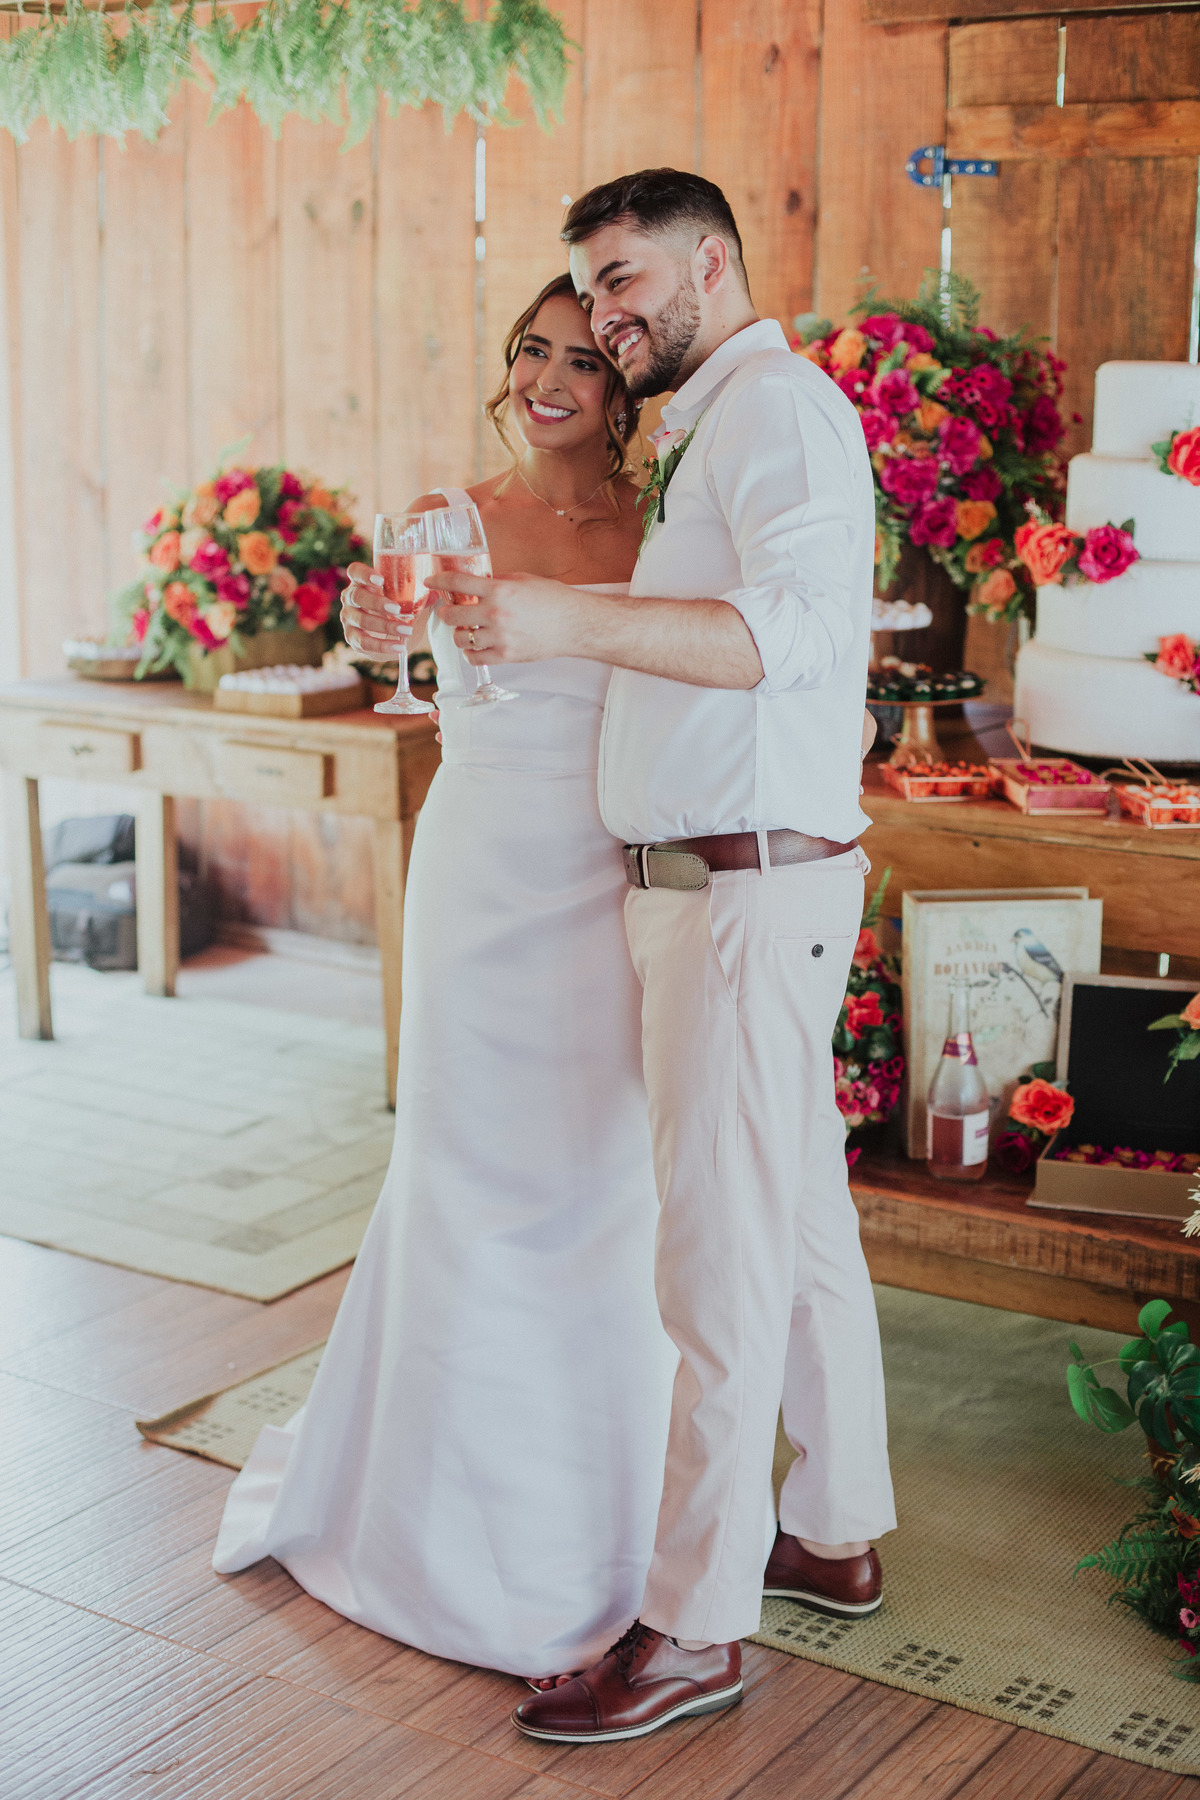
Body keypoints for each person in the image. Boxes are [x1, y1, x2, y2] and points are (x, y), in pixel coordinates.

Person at [430, 169, 897, 1745]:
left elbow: (789, 641)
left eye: (623, 279)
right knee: (798, 1223)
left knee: (717, 1263)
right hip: (730, 885)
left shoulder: (779, 414)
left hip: (742, 893)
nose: (603, 312)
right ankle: (832, 1526)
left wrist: (564, 621)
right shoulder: (717, 420)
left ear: (711, 263)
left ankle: (695, 1628)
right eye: (585, 287)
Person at [211, 273, 680, 1684]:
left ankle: (611, 1526)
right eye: (532, 352)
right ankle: (456, 1541)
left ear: (623, 385)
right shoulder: (445, 521)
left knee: (606, 1181)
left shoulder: (666, 526)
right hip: (480, 881)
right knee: (470, 1177)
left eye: (581, 360)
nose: (548, 379)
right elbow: (389, 646)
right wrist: (377, 632)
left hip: (617, 878)